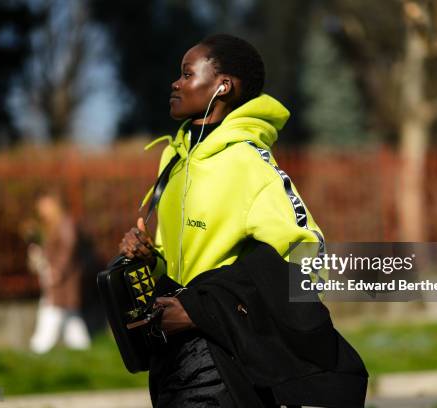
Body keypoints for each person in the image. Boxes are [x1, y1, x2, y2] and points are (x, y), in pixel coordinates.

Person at [119, 34, 367, 407]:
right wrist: (148, 260)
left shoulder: (248, 163)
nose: (176, 83)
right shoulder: (173, 159)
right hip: (168, 356)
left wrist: (203, 309)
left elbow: (307, 257)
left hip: (221, 357)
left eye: (187, 74)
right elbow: (180, 264)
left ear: (223, 86)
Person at [28, 191, 91, 354]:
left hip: (63, 280)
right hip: (58, 278)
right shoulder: (51, 226)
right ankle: (83, 350)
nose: (42, 210)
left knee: (50, 312)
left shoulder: (65, 223)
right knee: (71, 319)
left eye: (45, 206)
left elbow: (68, 248)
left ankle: (38, 350)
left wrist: (58, 270)